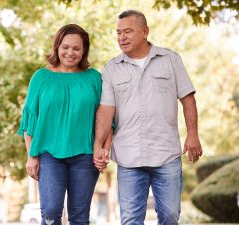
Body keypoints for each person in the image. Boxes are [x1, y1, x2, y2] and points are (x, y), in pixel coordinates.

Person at [93, 10, 203, 225]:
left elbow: (188, 99)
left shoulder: (170, 60)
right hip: (128, 156)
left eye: (127, 31)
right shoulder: (112, 69)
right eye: (118, 33)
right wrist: (98, 144)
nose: (121, 37)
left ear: (145, 32)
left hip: (166, 153)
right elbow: (106, 111)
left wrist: (193, 135)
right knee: (131, 220)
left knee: (170, 216)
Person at [18, 24, 112, 225]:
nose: (70, 53)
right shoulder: (41, 77)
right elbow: (29, 119)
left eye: (77, 49)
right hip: (49, 155)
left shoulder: (94, 78)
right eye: (65, 47)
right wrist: (31, 156)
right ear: (57, 46)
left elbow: (105, 117)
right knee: (51, 212)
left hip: (85, 156)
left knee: (79, 216)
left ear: (84, 50)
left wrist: (104, 149)